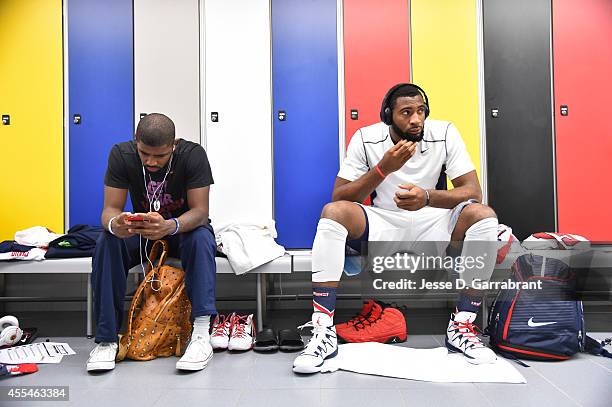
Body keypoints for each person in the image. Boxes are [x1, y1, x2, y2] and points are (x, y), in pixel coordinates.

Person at [293, 84, 499, 374]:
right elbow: (340, 195)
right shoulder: (366, 138)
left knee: (484, 216)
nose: (416, 119)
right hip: (383, 221)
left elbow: (472, 191)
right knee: (333, 213)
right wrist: (382, 169)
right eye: (407, 113)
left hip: (433, 220)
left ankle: (462, 325)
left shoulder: (445, 133)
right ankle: (323, 329)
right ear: (388, 116)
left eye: (421, 111)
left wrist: (427, 197)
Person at [86, 113, 217, 372]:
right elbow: (109, 210)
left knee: (202, 237)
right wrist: (118, 224)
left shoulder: (192, 155)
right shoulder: (121, 155)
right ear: (136, 142)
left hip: (180, 231)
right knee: (106, 241)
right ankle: (107, 340)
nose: (151, 161)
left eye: (160, 155)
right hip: (142, 234)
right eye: (145, 153)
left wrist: (170, 225)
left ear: (174, 145)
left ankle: (201, 335)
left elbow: (200, 212)